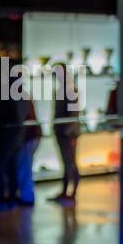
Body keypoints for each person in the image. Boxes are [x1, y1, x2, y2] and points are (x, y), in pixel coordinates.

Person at [49, 63, 82, 203]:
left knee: (70, 163)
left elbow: (74, 114)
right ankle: (65, 192)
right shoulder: (62, 89)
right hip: (62, 132)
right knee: (66, 162)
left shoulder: (70, 90)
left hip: (68, 133)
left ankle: (72, 193)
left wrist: (67, 131)